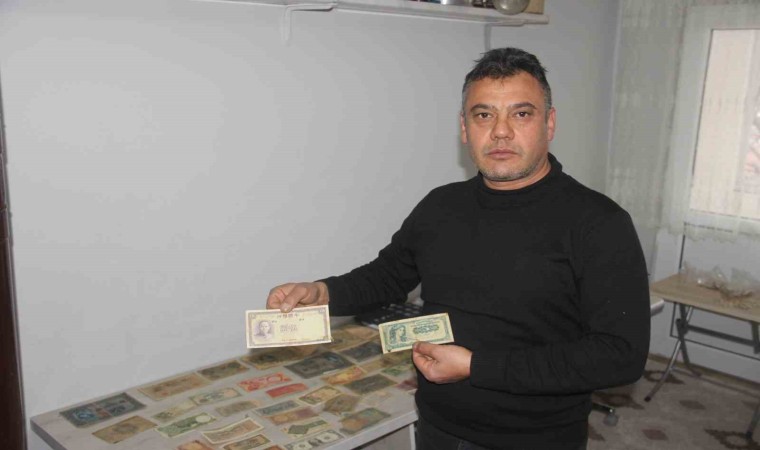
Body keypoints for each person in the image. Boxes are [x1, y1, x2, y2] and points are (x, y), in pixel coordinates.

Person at [267, 47, 650, 450]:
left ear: (549, 123)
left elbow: (620, 355)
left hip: (536, 439)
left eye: (521, 114)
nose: (500, 132)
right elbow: (388, 275)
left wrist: (475, 367)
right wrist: (322, 292)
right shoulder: (441, 206)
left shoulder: (599, 223)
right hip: (438, 427)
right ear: (464, 128)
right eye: (483, 115)